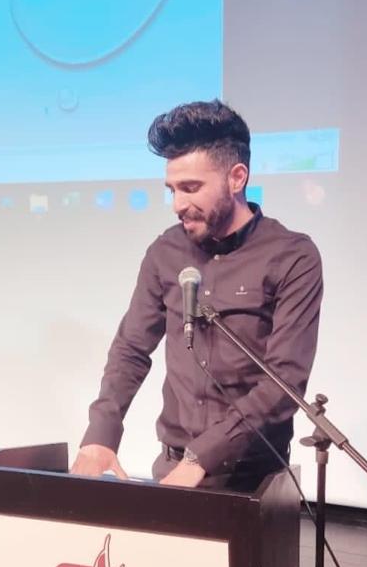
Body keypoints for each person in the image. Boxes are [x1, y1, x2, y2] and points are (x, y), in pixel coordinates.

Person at [70, 99, 323, 492]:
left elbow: (284, 382)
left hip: (252, 479)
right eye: (172, 190)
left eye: (191, 188)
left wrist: (202, 457)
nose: (178, 204)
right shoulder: (165, 252)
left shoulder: (292, 256)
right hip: (173, 470)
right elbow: (131, 350)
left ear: (236, 178)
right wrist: (101, 432)